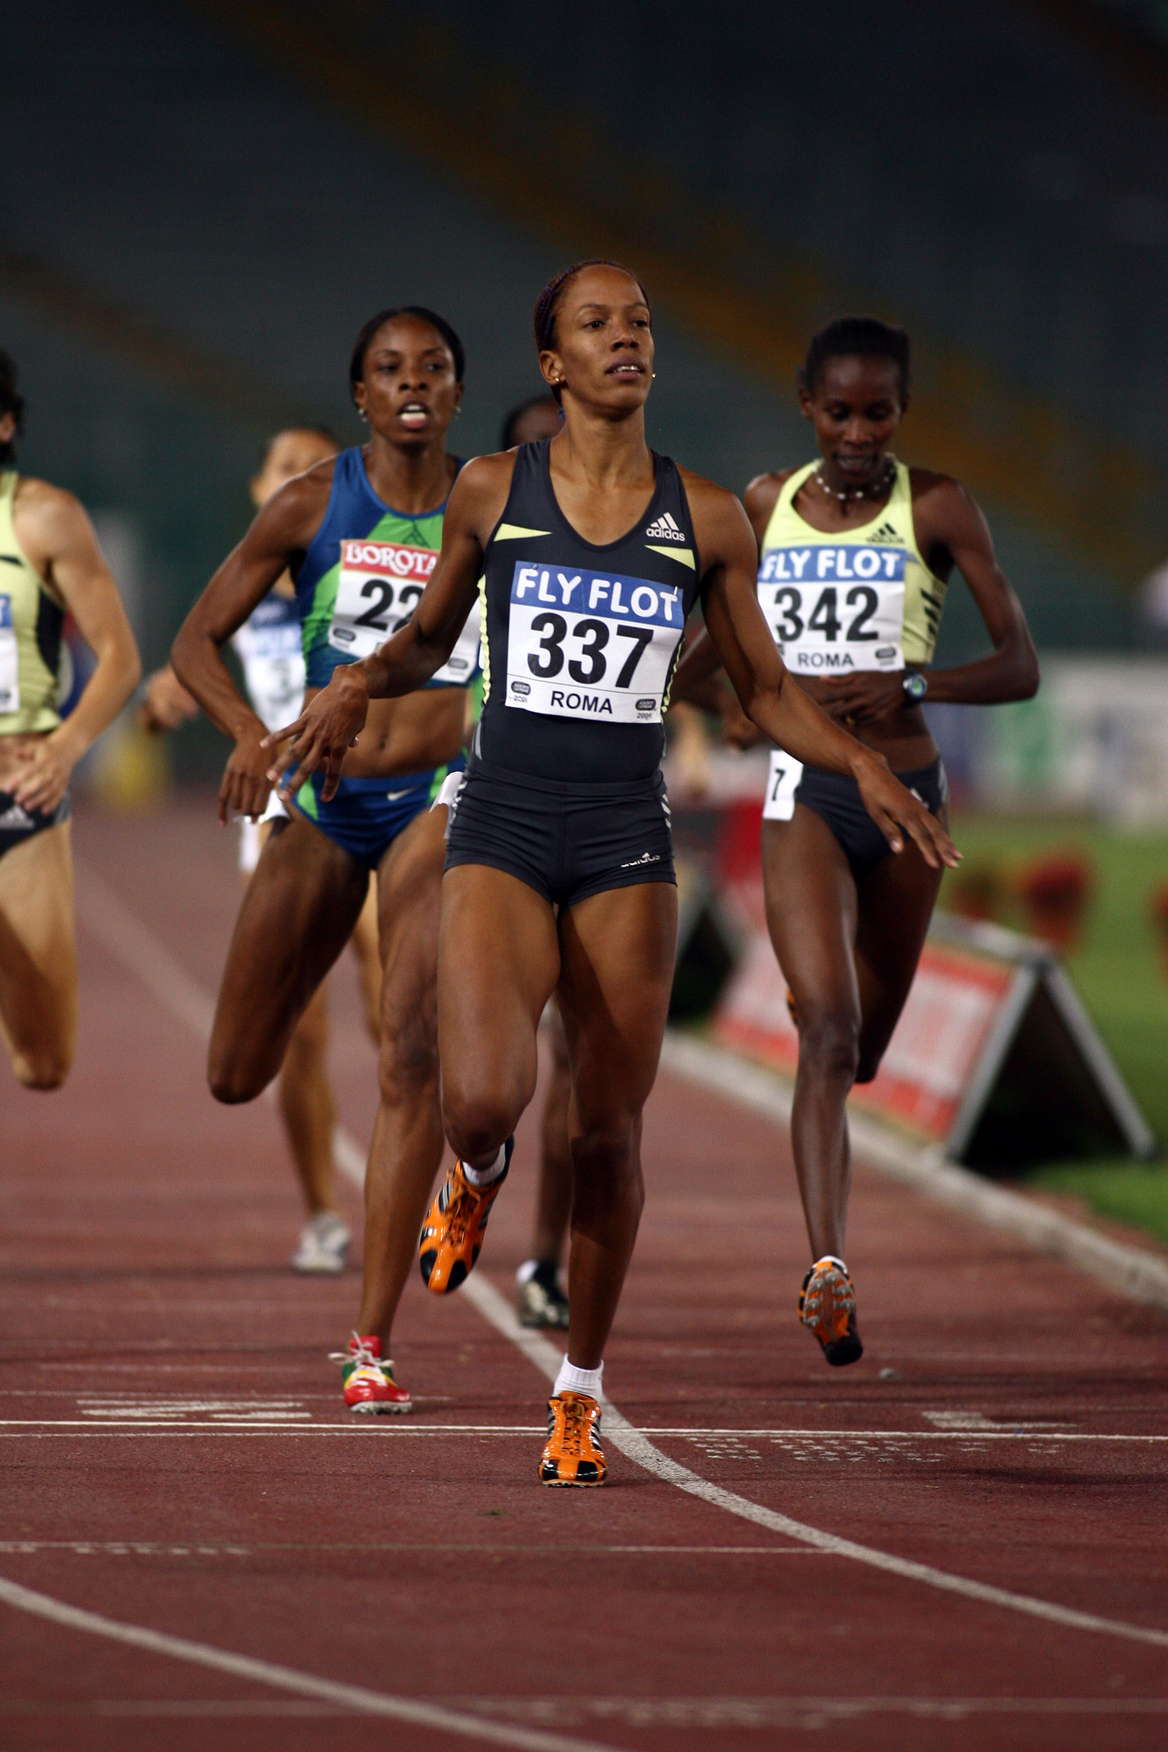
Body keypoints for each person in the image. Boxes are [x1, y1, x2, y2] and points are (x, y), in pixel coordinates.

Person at [268, 262, 957, 1485]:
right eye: (596, 324)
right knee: (482, 1098)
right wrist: (355, 683)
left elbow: (765, 688)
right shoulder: (494, 489)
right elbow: (428, 637)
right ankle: (475, 1175)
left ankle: (577, 1394)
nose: (625, 338)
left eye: (638, 322)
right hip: (504, 820)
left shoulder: (708, 515)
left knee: (604, 1134)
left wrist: (865, 764)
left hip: (625, 839)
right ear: (555, 363)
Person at [689, 315, 1038, 1368]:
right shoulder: (764, 504)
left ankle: (829, 1230)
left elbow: (1018, 665)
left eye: (876, 413)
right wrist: (731, 704)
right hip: (805, 791)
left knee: (865, 1052)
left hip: (907, 798)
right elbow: (705, 648)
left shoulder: (936, 506)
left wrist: (914, 680)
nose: (856, 433)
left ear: (900, 411)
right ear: (807, 407)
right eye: (837, 412)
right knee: (828, 1033)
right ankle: (827, 1267)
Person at [172, 306, 481, 1414]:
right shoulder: (312, 503)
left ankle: (371, 1343)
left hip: (439, 793)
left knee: (408, 1052)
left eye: (433, 368)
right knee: (234, 1071)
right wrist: (249, 739)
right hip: (323, 795)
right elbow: (193, 641)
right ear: (361, 395)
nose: (413, 384)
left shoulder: (493, 503)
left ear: (457, 390)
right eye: (390, 370)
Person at [142, 425, 378, 1274]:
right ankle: (323, 1214)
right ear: (259, 489)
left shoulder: (357, 563)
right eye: (284, 467)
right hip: (283, 819)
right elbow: (183, 665)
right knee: (299, 1036)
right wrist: (160, 704)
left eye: (313, 467)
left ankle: (417, 1181)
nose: (298, 479)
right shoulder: (246, 580)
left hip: (372, 801)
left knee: (396, 1012)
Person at [0, 350, 141, 1090]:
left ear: (5, 424)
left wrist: (64, 749)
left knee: (43, 1061)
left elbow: (120, 659)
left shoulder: (44, 518)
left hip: (19, 790)